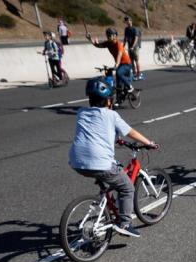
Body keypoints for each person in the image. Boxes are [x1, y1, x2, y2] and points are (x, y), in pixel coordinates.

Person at [68, 78, 157, 238]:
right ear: (109, 101)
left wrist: (115, 139)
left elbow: (96, 132)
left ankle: (109, 204)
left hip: (76, 162)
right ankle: (125, 223)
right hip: (99, 163)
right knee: (127, 187)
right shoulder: (112, 115)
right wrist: (149, 143)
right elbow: (131, 132)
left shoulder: (81, 112)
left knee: (114, 172)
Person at [91, 27, 133, 101]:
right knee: (118, 84)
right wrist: (89, 39)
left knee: (118, 73)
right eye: (107, 35)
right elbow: (98, 45)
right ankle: (119, 101)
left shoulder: (118, 44)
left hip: (126, 64)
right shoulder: (108, 43)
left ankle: (130, 86)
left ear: (115, 36)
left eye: (110, 35)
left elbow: (119, 55)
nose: (108, 37)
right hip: (119, 65)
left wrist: (116, 64)